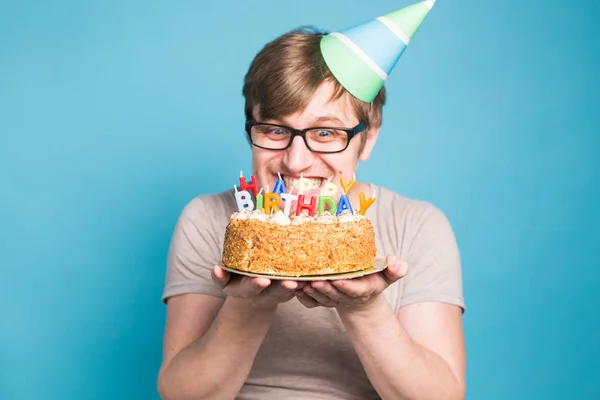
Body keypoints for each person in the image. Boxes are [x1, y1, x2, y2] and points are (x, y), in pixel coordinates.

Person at [157, 2, 466, 399]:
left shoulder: (416, 225)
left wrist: (364, 308)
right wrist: (249, 302)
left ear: (367, 137)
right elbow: (182, 394)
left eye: (325, 133)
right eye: (273, 130)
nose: (296, 161)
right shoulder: (209, 218)